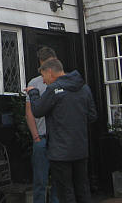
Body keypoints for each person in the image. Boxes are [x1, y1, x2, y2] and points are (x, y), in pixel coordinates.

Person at [26, 58, 97, 203]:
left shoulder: (54, 90)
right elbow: (92, 116)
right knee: (82, 188)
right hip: (80, 148)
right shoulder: (84, 88)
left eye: (44, 76)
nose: (44, 81)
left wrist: (33, 93)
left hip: (60, 151)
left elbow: (38, 110)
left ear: (50, 72)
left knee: (65, 192)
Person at [26, 46, 60, 203]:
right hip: (42, 136)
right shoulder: (35, 83)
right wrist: (36, 137)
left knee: (59, 181)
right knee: (40, 180)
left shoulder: (62, 81)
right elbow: (29, 113)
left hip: (59, 139)